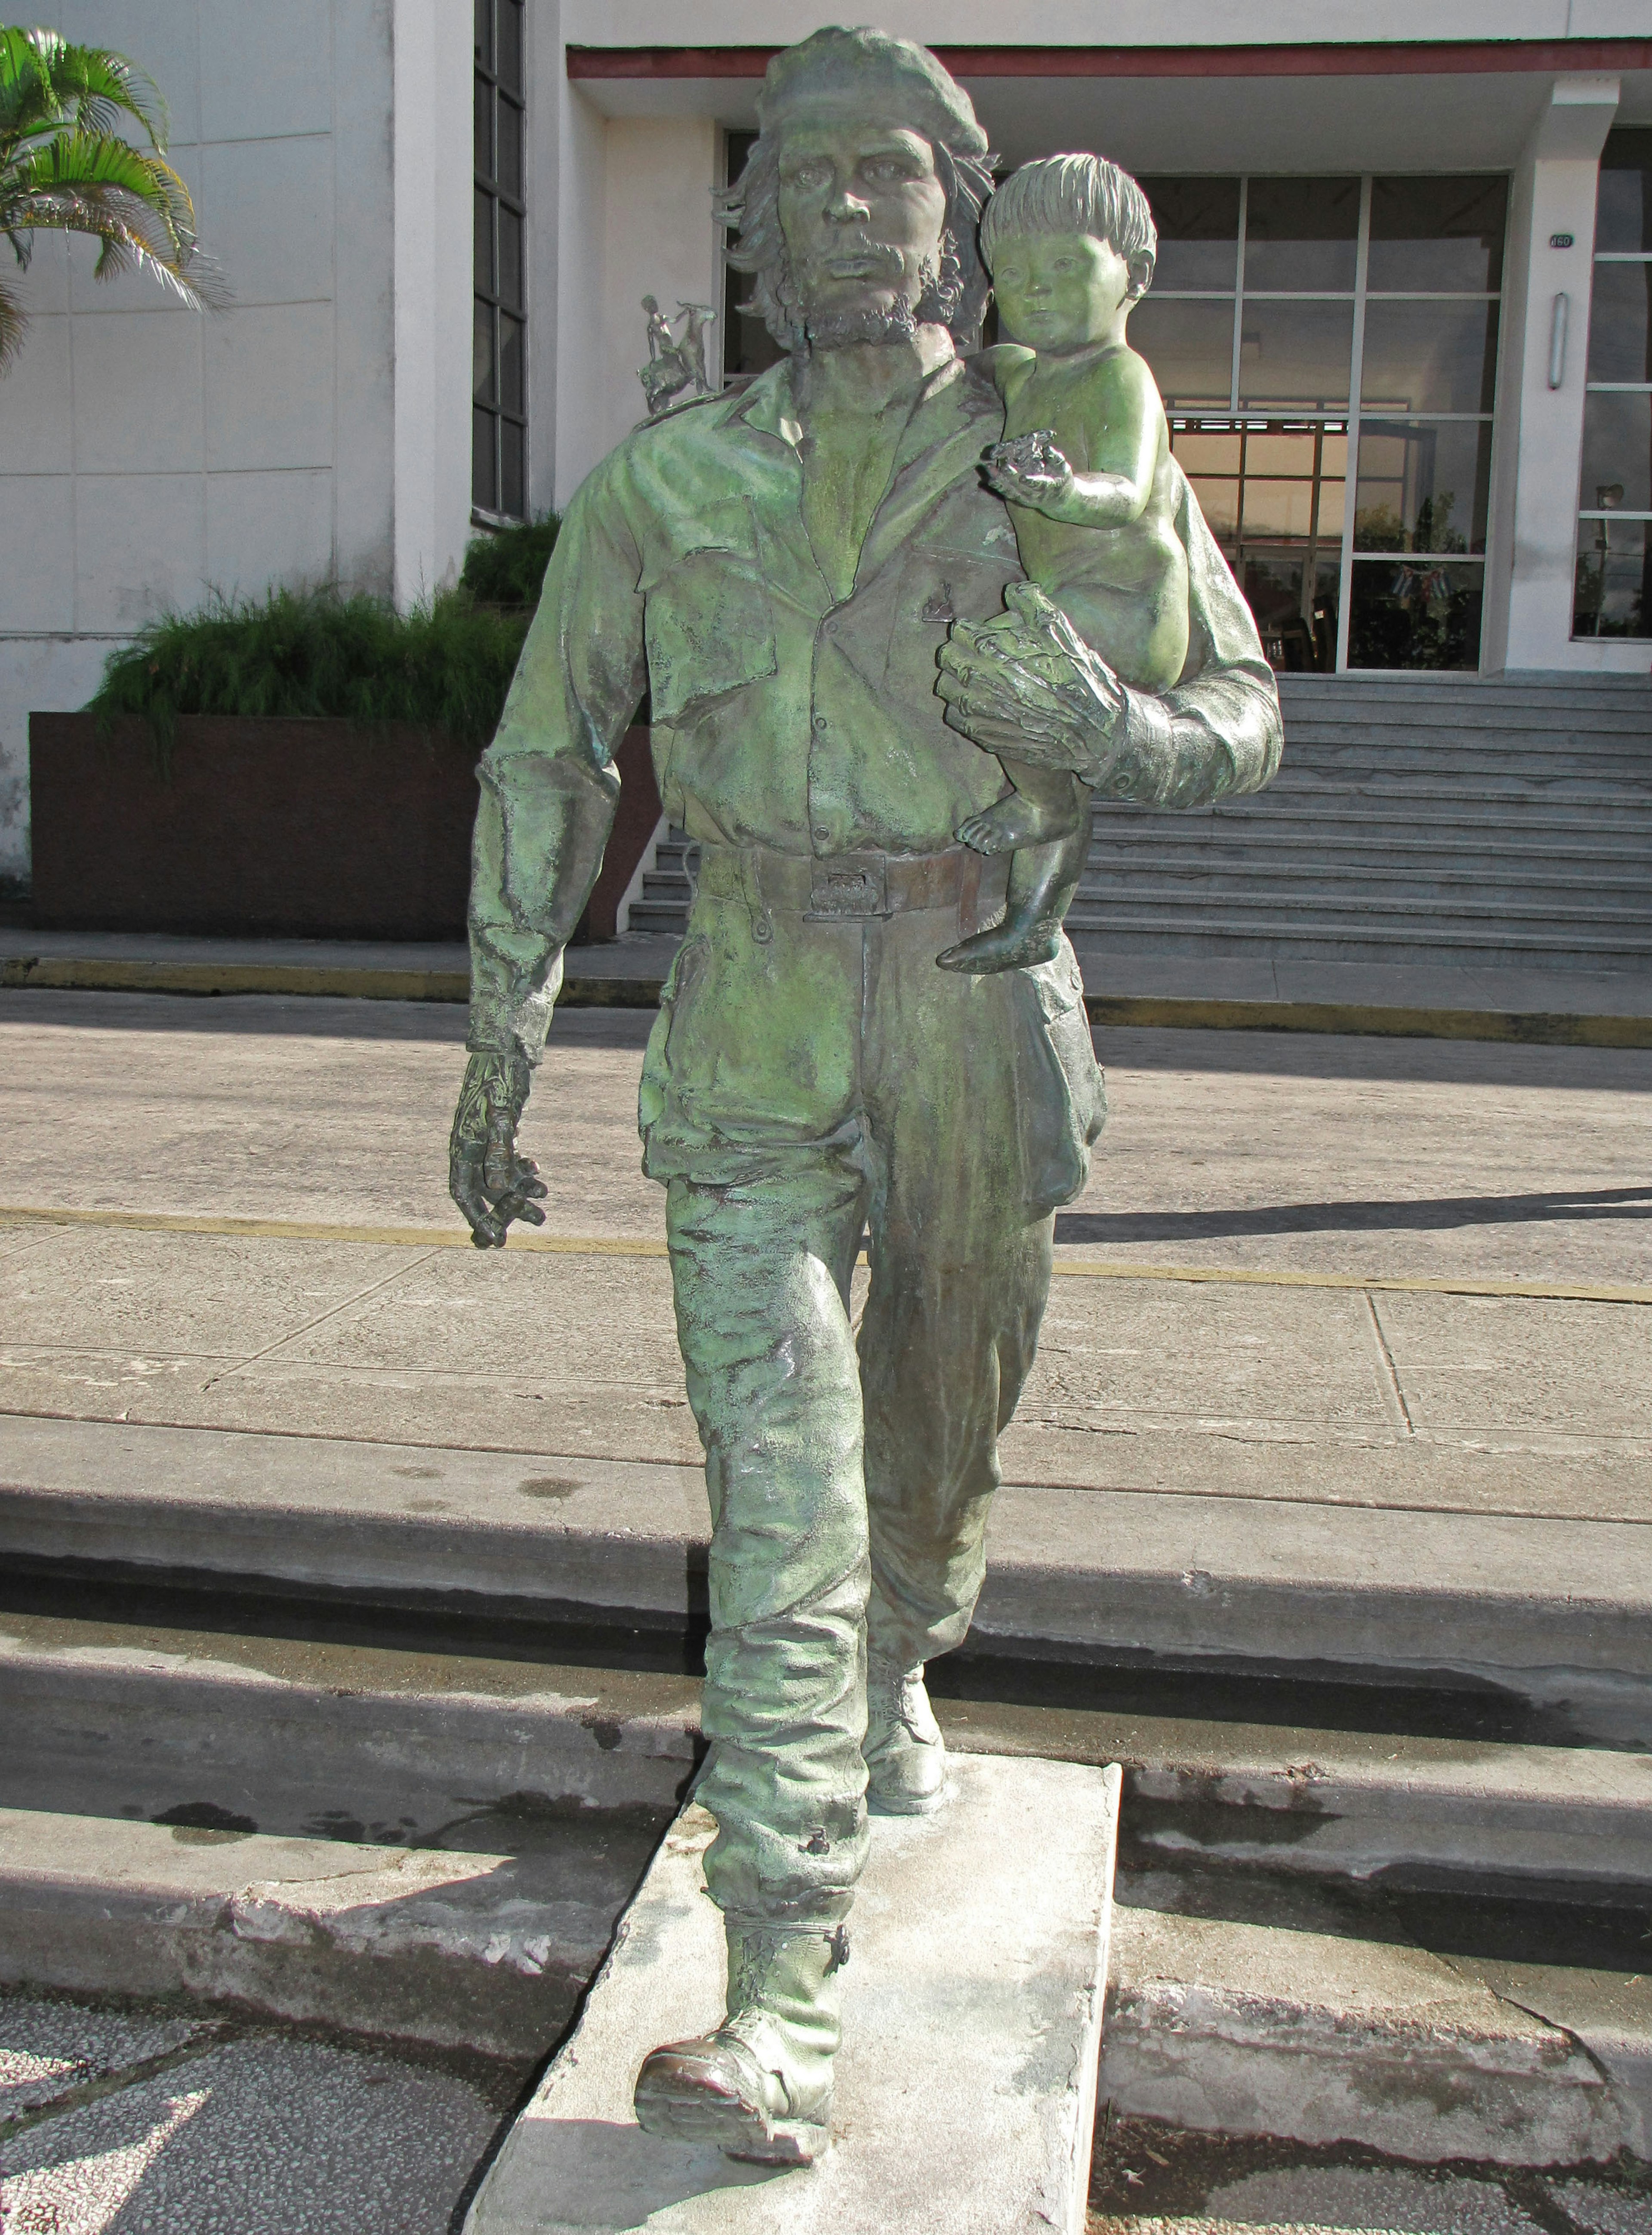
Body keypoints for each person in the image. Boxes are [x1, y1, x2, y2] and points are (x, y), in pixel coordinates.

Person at [447, 25, 1280, 2171]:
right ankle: (780, 1992)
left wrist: (1098, 727)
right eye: (805, 175)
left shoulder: (1064, 438)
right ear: (749, 223)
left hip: (975, 1004)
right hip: (746, 1016)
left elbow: (1240, 713)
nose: (844, 209)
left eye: (891, 177)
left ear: (956, 215)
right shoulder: (666, 484)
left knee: (934, 1438)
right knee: (786, 1489)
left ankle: (911, 1651)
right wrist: (503, 1021)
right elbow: (549, 752)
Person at [939, 152, 1189, 976]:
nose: (1034, 288)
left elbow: (1125, 490)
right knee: (1015, 697)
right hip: (1064, 601)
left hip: (1130, 602)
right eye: (1013, 274)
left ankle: (1041, 803)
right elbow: (941, 373)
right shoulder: (1017, 371)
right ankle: (1033, 920)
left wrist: (1061, 488)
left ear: (1135, 276)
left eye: (1064, 265)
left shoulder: (1123, 377)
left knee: (1012, 679)